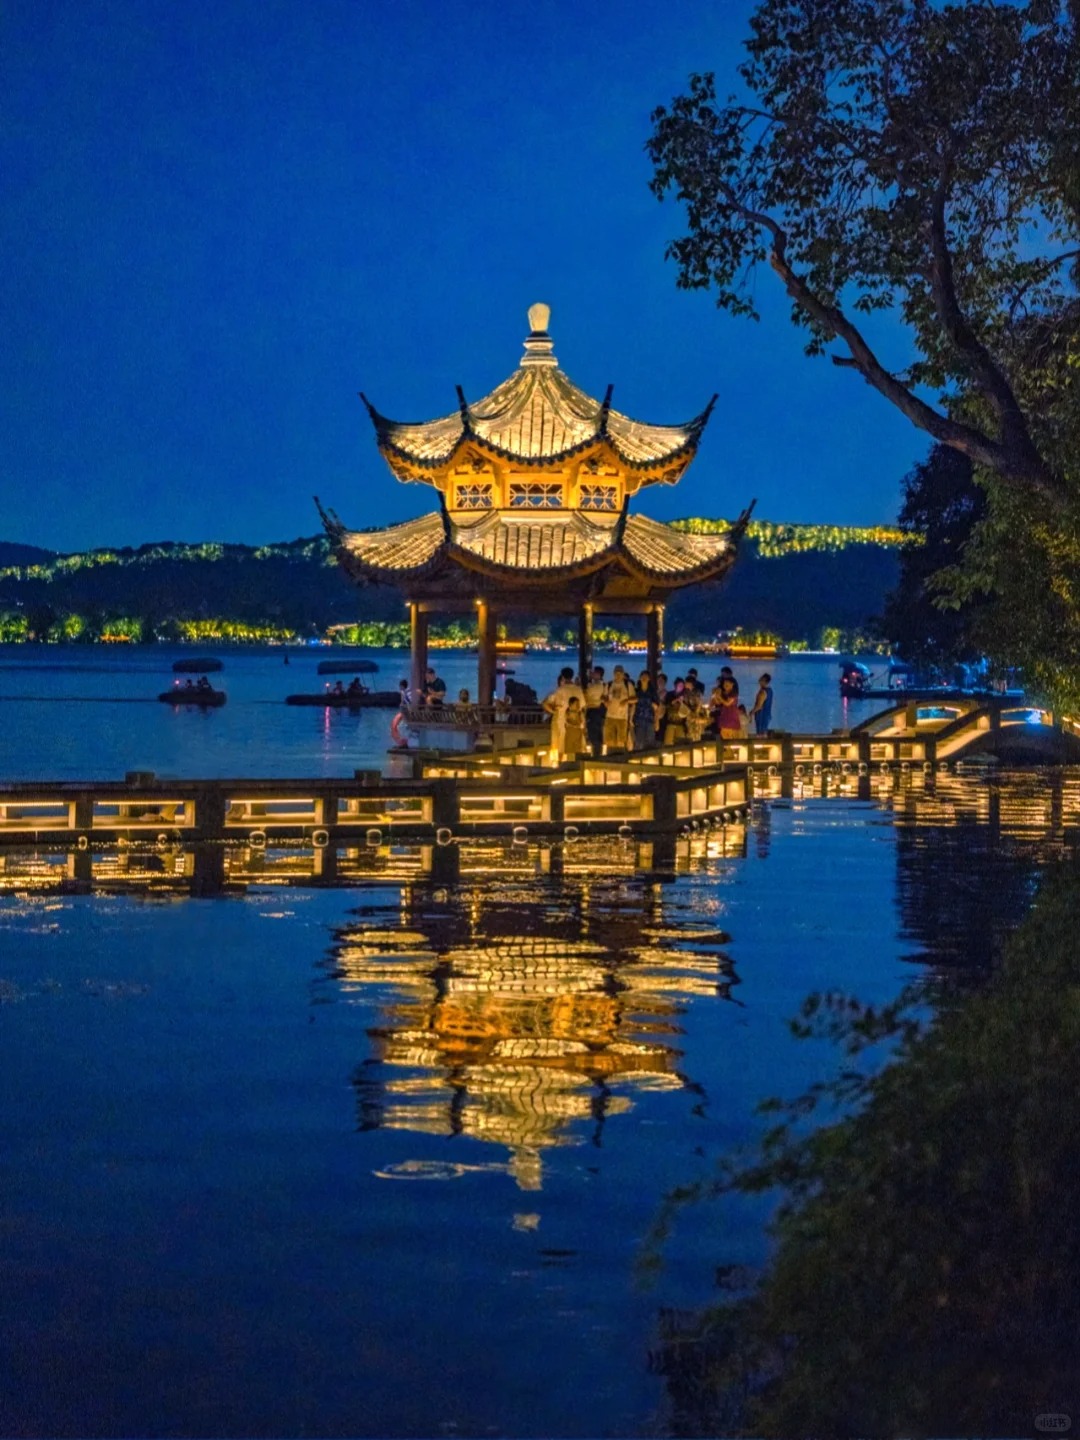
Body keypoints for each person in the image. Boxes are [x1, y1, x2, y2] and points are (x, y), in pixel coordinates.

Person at [542, 667, 584, 760]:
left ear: (563, 677)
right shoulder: (578, 690)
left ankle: (560, 764)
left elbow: (545, 703)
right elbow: (583, 706)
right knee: (575, 747)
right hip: (576, 723)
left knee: (560, 746)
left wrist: (553, 711)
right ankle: (575, 765)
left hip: (561, 721)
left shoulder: (560, 690)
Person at [603, 665, 634, 754]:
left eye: (620, 673)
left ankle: (620, 756)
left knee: (621, 740)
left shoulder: (628, 685)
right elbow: (603, 696)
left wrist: (626, 701)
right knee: (609, 739)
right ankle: (610, 755)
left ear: (623, 674)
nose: (618, 675)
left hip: (622, 717)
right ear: (613, 674)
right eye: (616, 673)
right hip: (610, 716)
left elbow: (635, 698)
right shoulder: (609, 684)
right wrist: (605, 701)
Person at [583, 665, 607, 758]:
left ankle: (596, 755)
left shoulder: (597, 686)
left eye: (594, 672)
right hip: (596, 712)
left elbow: (586, 694)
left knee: (594, 734)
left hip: (593, 711)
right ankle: (597, 754)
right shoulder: (599, 685)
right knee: (596, 734)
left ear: (598, 674)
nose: (592, 674)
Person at [632, 672, 657, 751]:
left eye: (646, 676)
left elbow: (656, 707)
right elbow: (633, 705)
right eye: (642, 676)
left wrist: (657, 721)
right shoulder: (636, 691)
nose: (644, 678)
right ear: (639, 678)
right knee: (639, 743)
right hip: (639, 720)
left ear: (649, 679)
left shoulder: (653, 692)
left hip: (650, 720)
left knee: (650, 744)